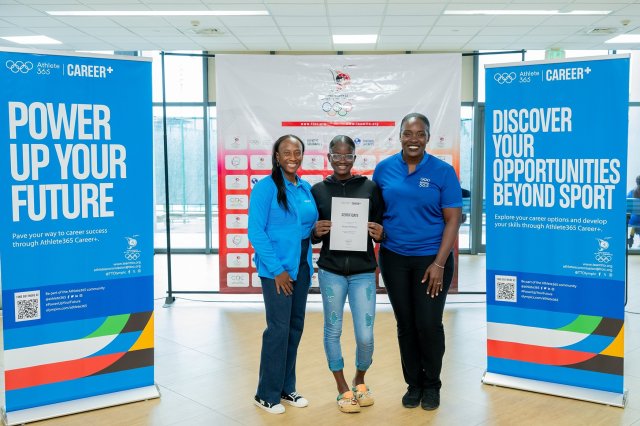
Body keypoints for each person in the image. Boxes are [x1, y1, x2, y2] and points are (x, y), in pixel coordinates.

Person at [372, 113, 462, 411]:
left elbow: (453, 220)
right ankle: (413, 384)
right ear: (399, 136)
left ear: (428, 137)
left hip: (431, 260)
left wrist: (439, 264)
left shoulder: (443, 172)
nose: (414, 139)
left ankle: (432, 385)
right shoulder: (383, 169)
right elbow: (377, 212)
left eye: (420, 134)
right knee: (406, 324)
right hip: (394, 258)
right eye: (408, 133)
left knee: (428, 323)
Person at [310, 135, 385, 413]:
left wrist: (381, 233)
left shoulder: (370, 188)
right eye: (337, 155)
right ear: (329, 157)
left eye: (348, 155)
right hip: (331, 271)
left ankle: (359, 379)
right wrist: (315, 232)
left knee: (365, 335)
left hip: (363, 271)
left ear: (355, 157)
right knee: (333, 329)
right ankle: (342, 387)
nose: (342, 160)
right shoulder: (318, 190)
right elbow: (312, 233)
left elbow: (381, 224)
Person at [248, 134, 318, 415]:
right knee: (278, 330)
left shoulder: (305, 187)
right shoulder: (265, 188)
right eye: (286, 152)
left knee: (294, 327)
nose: (292, 157)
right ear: (276, 156)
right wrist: (277, 271)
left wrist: (318, 230)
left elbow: (305, 228)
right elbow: (256, 232)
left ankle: (287, 388)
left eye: (297, 152)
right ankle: (266, 394)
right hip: (276, 269)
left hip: (302, 265)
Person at [628, 175, 640, 248]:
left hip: (633, 220)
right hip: (637, 220)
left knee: (634, 218)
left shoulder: (631, 192)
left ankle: (631, 237)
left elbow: (625, 205)